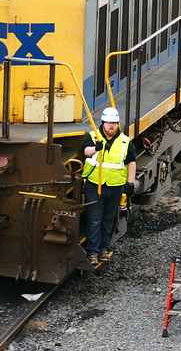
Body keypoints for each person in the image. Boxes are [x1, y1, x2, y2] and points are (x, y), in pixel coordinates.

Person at [81, 106, 136, 265]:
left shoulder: (125, 142)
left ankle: (103, 249)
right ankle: (92, 252)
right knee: (94, 220)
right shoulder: (93, 136)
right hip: (94, 185)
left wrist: (130, 183)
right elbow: (86, 152)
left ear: (118, 124)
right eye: (108, 123)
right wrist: (95, 148)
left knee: (108, 219)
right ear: (103, 123)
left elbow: (131, 162)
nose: (112, 126)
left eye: (114, 123)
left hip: (115, 186)